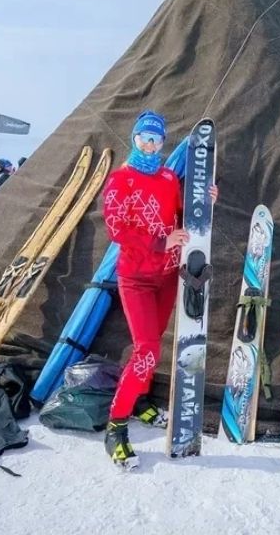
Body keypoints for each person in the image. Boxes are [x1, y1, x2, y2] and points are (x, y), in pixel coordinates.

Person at [100, 111, 217, 469]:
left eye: (156, 140)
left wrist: (207, 199)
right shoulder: (121, 180)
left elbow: (185, 214)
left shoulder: (168, 177)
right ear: (134, 139)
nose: (150, 145)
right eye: (144, 138)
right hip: (136, 277)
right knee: (147, 349)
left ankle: (141, 400)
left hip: (167, 276)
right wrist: (160, 241)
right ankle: (116, 426)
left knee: (154, 343)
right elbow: (116, 229)